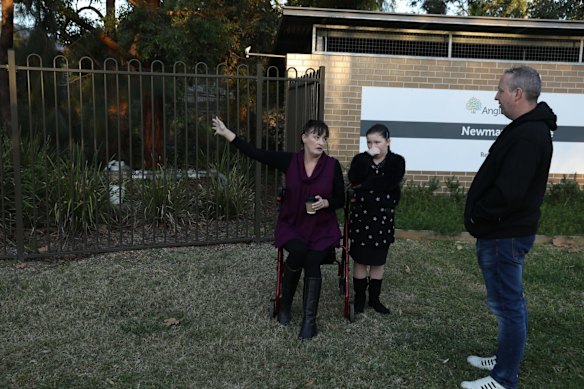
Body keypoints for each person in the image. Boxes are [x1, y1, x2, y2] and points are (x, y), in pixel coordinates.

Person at [462, 66, 557, 389]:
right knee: (507, 303)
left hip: (505, 235)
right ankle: (505, 358)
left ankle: (503, 377)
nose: (496, 96)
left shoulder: (530, 135)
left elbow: (509, 193)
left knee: (508, 306)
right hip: (502, 233)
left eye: (501, 90)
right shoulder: (525, 129)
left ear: (518, 93)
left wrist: (479, 218)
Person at [212, 117, 345, 340]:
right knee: (299, 251)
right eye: (316, 136)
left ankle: (309, 321)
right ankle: (285, 305)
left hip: (321, 227)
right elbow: (256, 153)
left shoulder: (332, 166)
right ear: (304, 138)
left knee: (313, 260)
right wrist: (228, 134)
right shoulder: (290, 161)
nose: (320, 142)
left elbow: (340, 198)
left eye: (324, 138)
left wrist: (327, 203)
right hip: (293, 225)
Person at [347, 124, 405, 315]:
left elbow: (388, 184)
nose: (373, 146)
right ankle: (360, 299)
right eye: (369, 142)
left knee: (378, 261)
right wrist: (366, 159)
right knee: (361, 260)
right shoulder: (361, 160)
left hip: (382, 220)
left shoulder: (396, 161)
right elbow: (353, 178)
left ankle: (374, 299)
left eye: (377, 142)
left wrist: (365, 188)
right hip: (361, 219)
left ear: (388, 142)